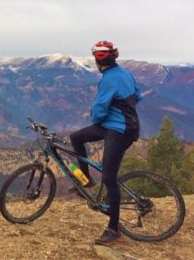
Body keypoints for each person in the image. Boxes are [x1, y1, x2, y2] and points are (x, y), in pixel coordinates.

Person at [69, 41, 142, 246]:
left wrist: (98, 116)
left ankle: (114, 229)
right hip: (117, 125)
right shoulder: (125, 73)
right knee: (76, 137)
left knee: (109, 178)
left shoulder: (108, 80)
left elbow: (100, 109)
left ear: (97, 60)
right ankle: (84, 180)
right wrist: (121, 109)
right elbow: (138, 95)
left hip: (121, 130)